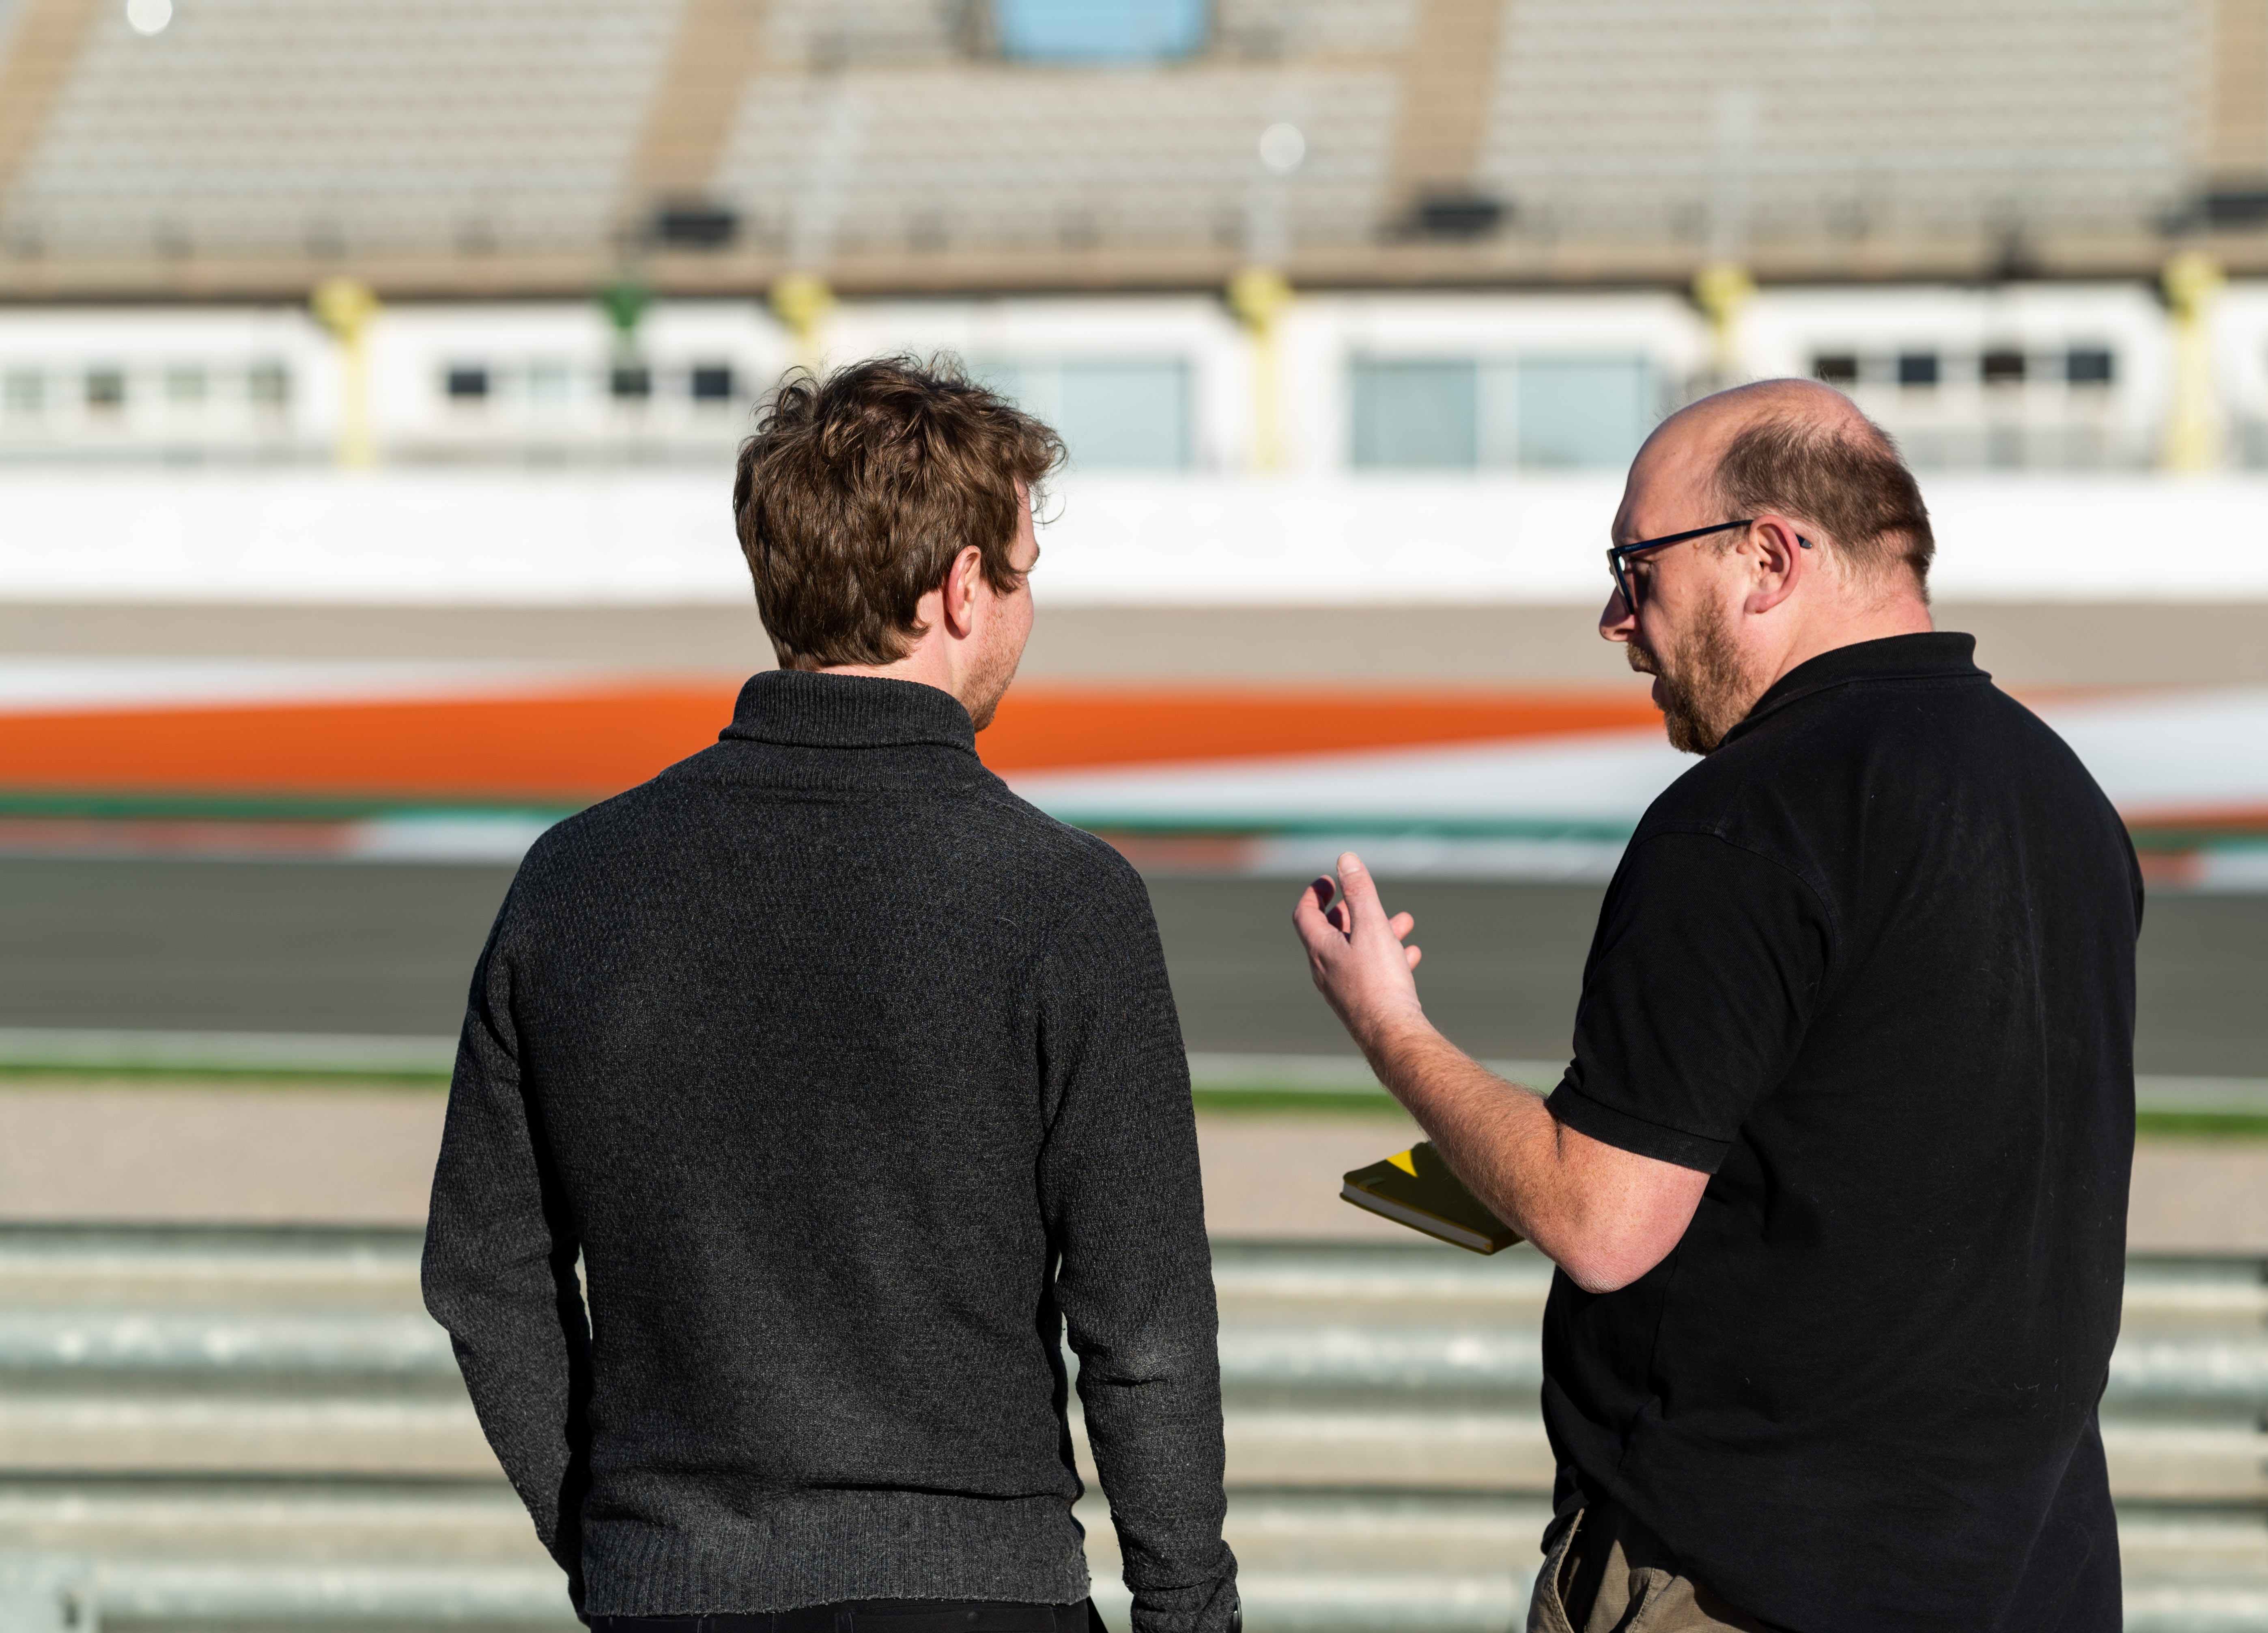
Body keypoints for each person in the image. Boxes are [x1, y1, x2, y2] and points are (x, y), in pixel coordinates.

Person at [1292, 379, 2137, 1632]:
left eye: (1636, 569)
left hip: (1753, 1574)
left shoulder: (1746, 816)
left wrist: (1391, 1029)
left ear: (1768, 557)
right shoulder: (2065, 794)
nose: (1616, 619)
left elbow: (1604, 1220)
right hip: (2031, 1577)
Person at [424, 356, 1238, 1633]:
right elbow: (1143, 1334)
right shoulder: (1065, 901)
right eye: (1023, 574)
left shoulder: (570, 883)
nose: (1027, 609)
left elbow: (484, 1276)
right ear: (964, 588)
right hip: (980, 1592)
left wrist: (617, 1546)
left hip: (671, 1592)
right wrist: (1191, 1612)